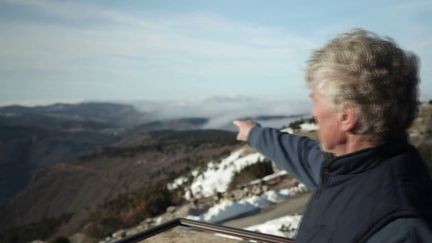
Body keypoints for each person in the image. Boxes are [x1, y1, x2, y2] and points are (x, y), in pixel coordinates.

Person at [233, 29, 432, 242]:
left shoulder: (402, 231)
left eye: (315, 101)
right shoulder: (350, 169)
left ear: (346, 116)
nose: (313, 112)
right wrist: (254, 133)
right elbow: (301, 154)